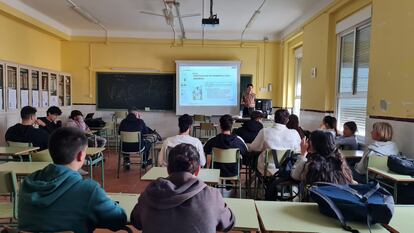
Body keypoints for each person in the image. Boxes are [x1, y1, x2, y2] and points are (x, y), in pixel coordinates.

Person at [18, 127, 127, 233]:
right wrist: (109, 202)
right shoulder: (89, 191)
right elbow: (118, 221)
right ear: (81, 156)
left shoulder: (27, 183)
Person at [131, 143, 235, 233]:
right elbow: (228, 223)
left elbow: (136, 221)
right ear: (198, 170)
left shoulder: (149, 194)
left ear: (168, 169)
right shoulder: (212, 196)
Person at [250, 109, 301, 176]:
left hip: (267, 168)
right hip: (287, 168)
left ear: (274, 119)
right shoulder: (294, 133)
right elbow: (298, 151)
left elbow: (253, 147)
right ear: (288, 120)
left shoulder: (265, 132)